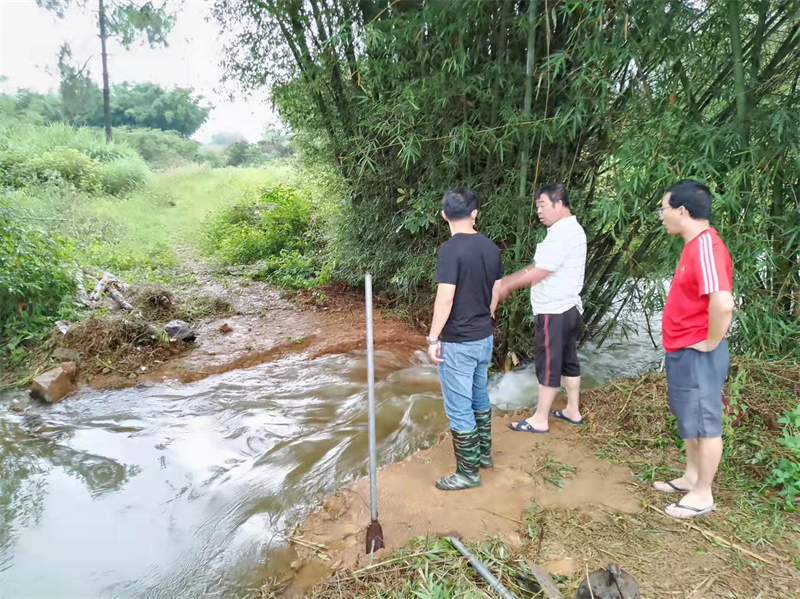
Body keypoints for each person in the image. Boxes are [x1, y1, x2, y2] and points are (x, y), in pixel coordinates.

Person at [654, 180, 734, 519]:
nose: (661, 216)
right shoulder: (693, 246)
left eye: (664, 209)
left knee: (705, 424)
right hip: (683, 348)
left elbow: (723, 303)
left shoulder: (707, 248)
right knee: (689, 417)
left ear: (682, 211)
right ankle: (691, 476)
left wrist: (712, 340)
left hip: (699, 352)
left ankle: (703, 493)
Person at [427, 187, 503, 491]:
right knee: (478, 395)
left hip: (458, 342)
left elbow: (445, 299)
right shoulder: (491, 248)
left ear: (444, 215)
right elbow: (495, 292)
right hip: (484, 337)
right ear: (475, 214)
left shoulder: (450, 250)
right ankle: (483, 455)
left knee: (459, 407)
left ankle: (468, 473)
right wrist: (486, 316)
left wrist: (433, 338)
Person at [500, 183, 587, 433]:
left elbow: (539, 272)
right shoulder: (574, 229)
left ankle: (540, 419)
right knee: (569, 361)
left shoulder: (561, 233)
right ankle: (572, 410)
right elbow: (543, 266)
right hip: (570, 309)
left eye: (542, 205)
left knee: (548, 365)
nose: (539, 211)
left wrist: (506, 284)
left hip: (553, 312)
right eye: (537, 206)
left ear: (558, 204)